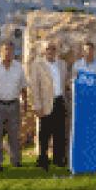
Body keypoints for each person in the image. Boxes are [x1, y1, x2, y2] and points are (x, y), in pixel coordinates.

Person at [0, 40, 27, 172]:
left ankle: (16, 160)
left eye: (11, 50)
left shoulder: (18, 67)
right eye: (5, 50)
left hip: (14, 103)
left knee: (14, 135)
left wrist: (24, 103)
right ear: (0, 51)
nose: (8, 53)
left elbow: (23, 87)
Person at [29, 40, 69, 170]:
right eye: (48, 49)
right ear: (43, 51)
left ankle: (58, 159)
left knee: (60, 133)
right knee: (44, 133)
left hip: (59, 101)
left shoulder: (62, 64)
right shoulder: (37, 64)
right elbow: (34, 86)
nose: (50, 51)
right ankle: (43, 159)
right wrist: (37, 106)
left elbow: (67, 82)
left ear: (56, 50)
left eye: (52, 48)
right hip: (45, 103)